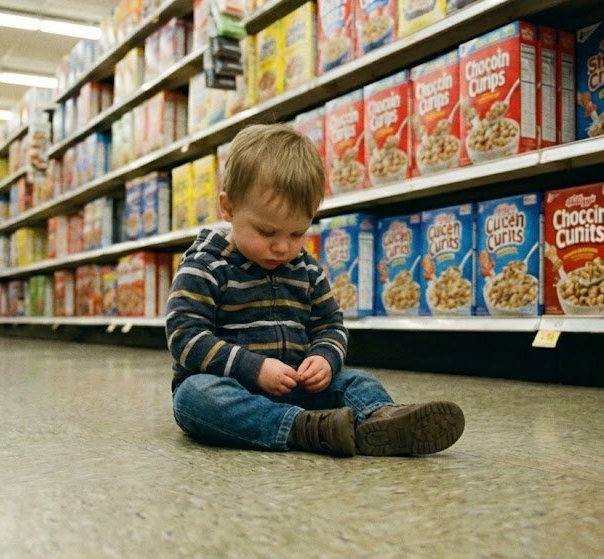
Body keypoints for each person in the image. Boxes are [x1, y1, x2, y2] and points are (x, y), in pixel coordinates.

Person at [166, 124, 466, 457]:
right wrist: (253, 368)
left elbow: (329, 325)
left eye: (297, 234)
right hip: (235, 387)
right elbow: (185, 336)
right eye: (267, 232)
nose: (282, 247)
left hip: (299, 387)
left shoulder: (305, 269)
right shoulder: (207, 265)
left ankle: (380, 420)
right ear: (229, 208)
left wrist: (323, 358)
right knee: (198, 397)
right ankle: (304, 428)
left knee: (355, 381)